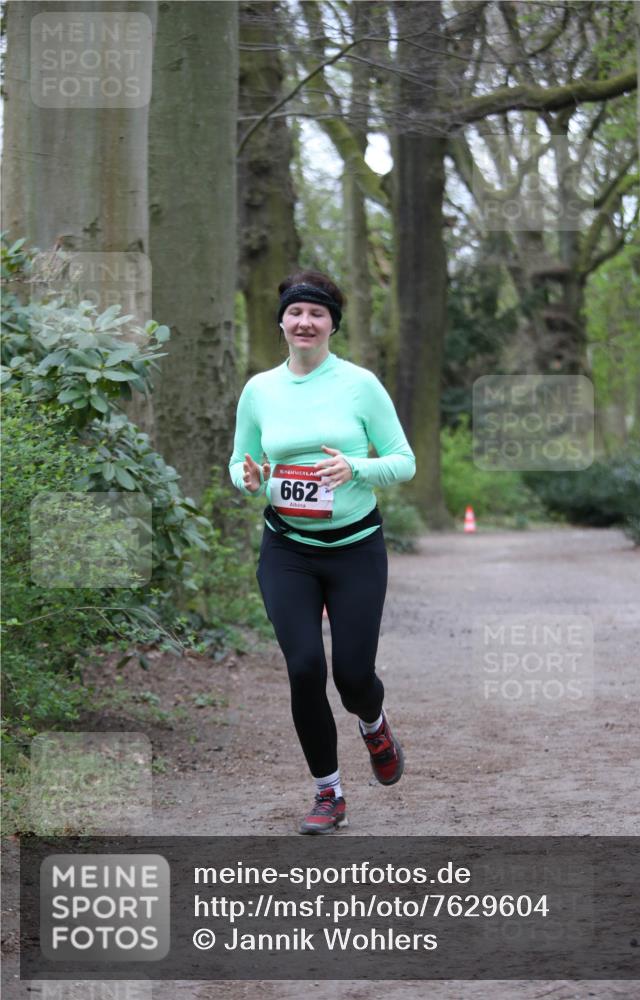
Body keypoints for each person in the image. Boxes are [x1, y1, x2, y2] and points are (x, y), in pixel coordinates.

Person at [228, 270, 416, 834]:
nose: (305, 322)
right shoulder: (260, 390)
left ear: (332, 323)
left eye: (317, 314)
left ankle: (374, 722)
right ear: (281, 322)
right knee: (305, 668)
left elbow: (403, 461)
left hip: (356, 546)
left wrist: (354, 466)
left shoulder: (360, 385)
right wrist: (251, 477)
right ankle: (328, 792)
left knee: (353, 675)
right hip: (287, 548)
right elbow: (240, 463)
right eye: (295, 313)